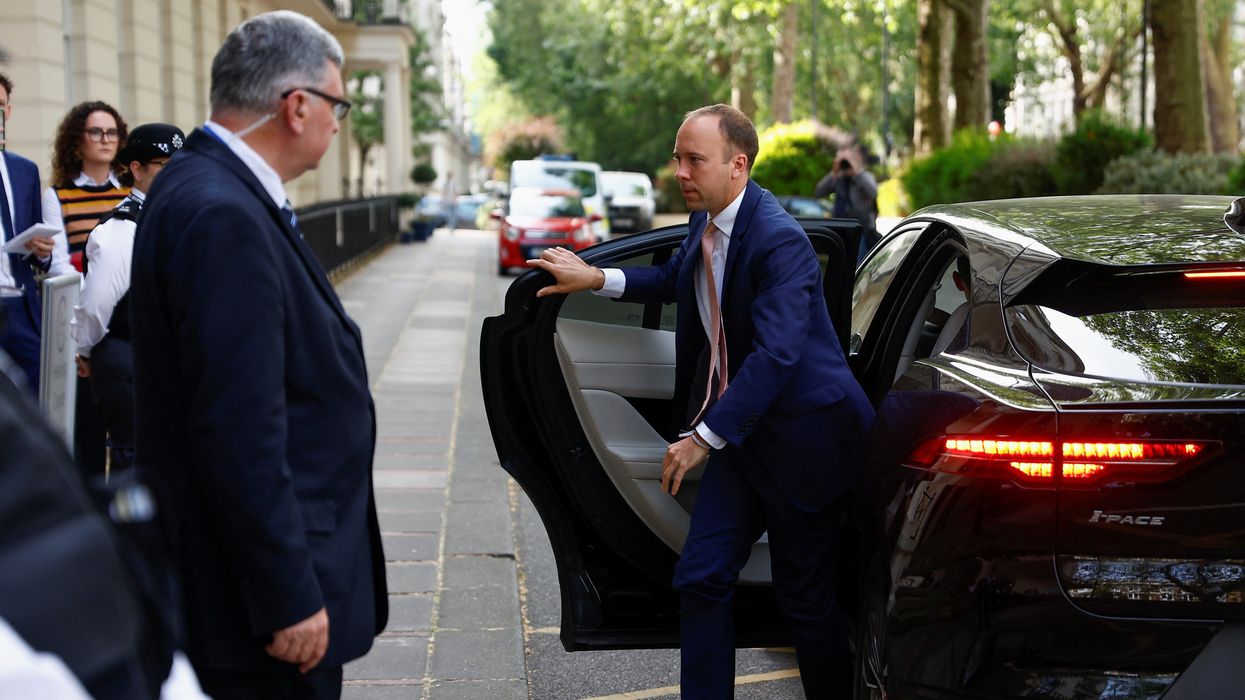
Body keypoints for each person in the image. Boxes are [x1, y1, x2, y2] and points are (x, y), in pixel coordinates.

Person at [529, 104, 874, 699]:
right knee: (701, 578)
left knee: (804, 600)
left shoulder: (779, 242)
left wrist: (701, 437)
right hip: (744, 444)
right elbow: (676, 281)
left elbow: (777, 357)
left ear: (738, 165)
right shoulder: (705, 221)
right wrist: (598, 279)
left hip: (805, 443)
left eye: (695, 160)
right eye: (677, 157)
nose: (679, 171)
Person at [129, 11, 386, 699]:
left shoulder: (202, 186)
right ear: (297, 106)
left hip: (230, 580)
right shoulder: (221, 213)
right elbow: (238, 428)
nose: (340, 121)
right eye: (338, 104)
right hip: (256, 606)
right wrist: (286, 595)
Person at [73, 123, 184, 472]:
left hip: (168, 359)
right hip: (128, 361)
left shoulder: (177, 217)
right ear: (137, 169)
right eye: (165, 165)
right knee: (135, 462)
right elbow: (97, 306)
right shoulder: (121, 229)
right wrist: (87, 350)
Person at [45, 100, 129, 477]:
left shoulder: (131, 195)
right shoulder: (57, 196)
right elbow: (61, 264)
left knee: (130, 433)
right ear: (77, 142)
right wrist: (88, 324)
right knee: (88, 433)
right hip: (84, 323)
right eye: (95, 131)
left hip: (128, 324)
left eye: (111, 132)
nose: (105, 139)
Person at [0, 72, 69, 395]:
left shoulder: (24, 171)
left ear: (9, 111)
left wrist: (41, 251)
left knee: (35, 404)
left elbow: (38, 251)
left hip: (22, 309)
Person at [814, 145, 880, 263]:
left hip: (860, 231)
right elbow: (819, 191)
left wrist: (856, 173)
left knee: (857, 265)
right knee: (839, 264)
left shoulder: (864, 176)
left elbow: (873, 192)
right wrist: (833, 173)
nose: (846, 164)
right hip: (839, 231)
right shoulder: (839, 178)